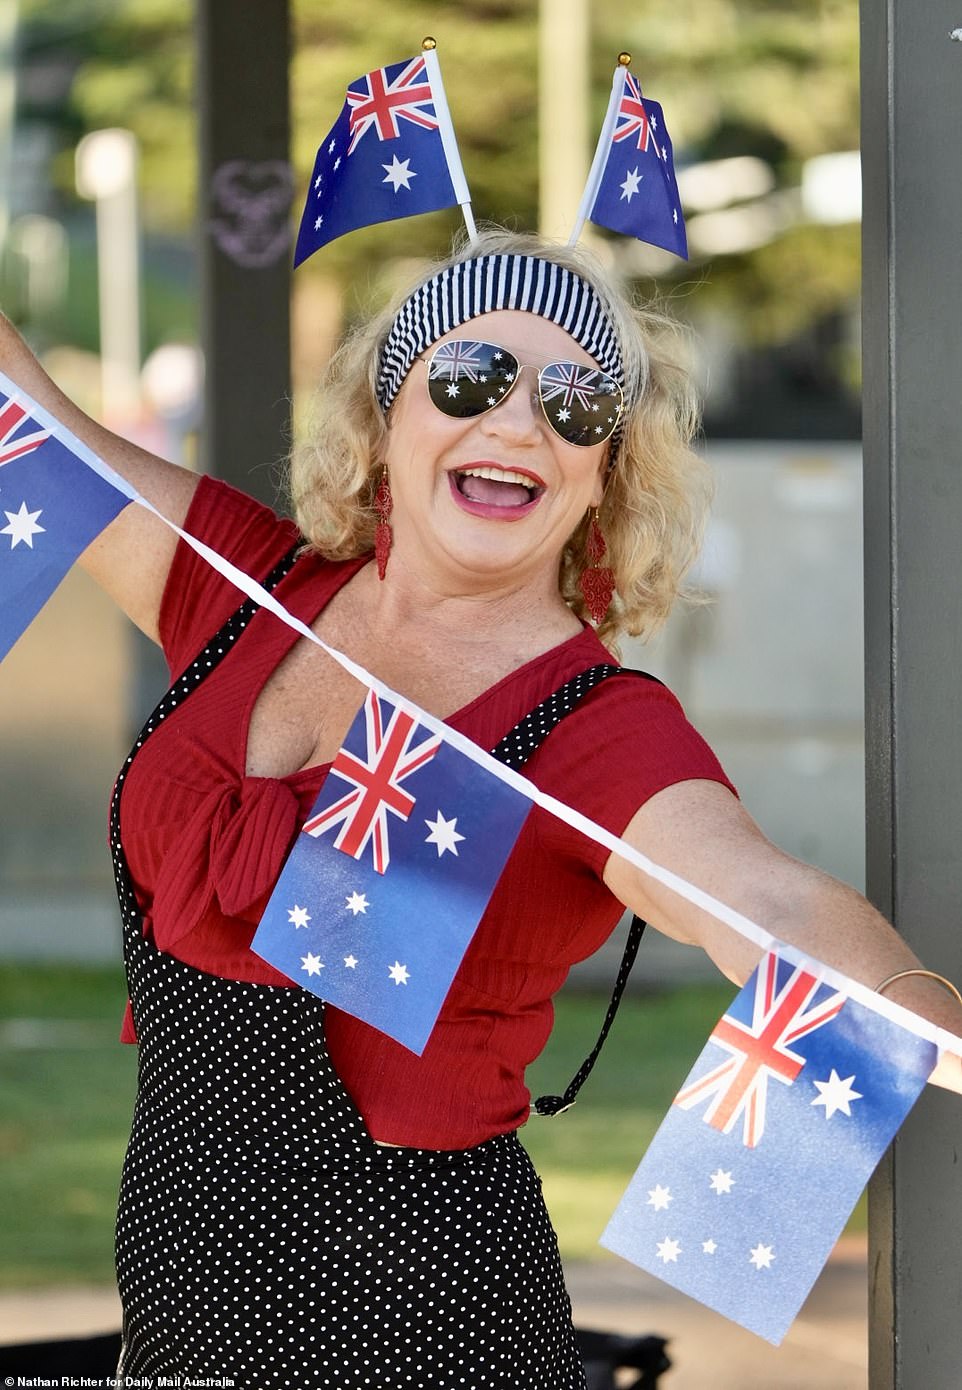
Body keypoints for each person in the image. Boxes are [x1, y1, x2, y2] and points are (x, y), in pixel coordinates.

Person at [2, 226, 960, 1389]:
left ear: (605, 465)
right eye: (469, 379)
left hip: (423, 1321)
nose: (517, 424)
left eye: (574, 403)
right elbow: (26, 416)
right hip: (177, 1306)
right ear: (382, 414)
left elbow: (765, 897)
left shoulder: (593, 726)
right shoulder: (246, 586)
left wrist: (895, 1002)